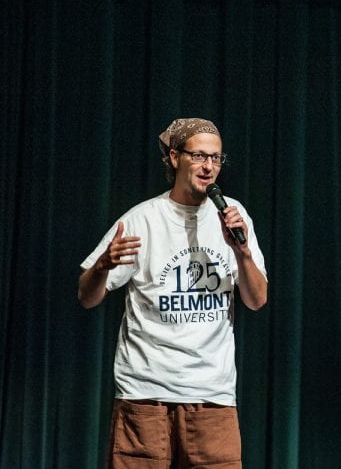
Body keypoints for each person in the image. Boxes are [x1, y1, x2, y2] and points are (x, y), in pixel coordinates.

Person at [78, 118, 268, 468]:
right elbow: (87, 297)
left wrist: (241, 251)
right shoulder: (142, 220)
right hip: (144, 396)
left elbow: (257, 300)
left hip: (213, 396)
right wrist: (103, 266)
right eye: (199, 156)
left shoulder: (233, 216)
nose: (209, 166)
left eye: (216, 158)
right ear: (174, 157)